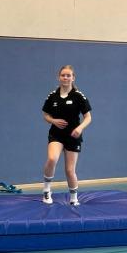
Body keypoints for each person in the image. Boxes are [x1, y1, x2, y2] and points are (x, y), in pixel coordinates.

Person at [41, 65, 91, 206]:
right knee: (52, 159)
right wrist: (53, 121)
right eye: (63, 75)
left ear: (73, 78)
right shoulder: (52, 96)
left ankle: (74, 198)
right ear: (59, 77)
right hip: (56, 134)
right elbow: (45, 114)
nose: (65, 77)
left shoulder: (78, 96)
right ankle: (46, 190)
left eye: (68, 75)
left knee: (69, 170)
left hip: (72, 136)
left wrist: (80, 128)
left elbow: (88, 117)